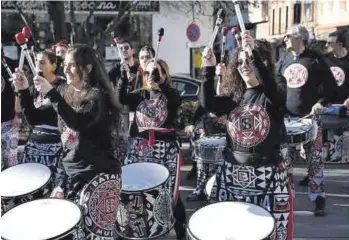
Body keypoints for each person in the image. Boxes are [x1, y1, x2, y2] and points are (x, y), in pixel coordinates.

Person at [201, 32, 293, 239]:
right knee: (232, 231)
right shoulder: (235, 97)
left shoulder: (274, 89)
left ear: (261, 61)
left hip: (267, 175)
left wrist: (256, 59)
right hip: (232, 174)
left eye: (249, 59)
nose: (244, 65)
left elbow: (276, 94)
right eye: (240, 61)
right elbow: (208, 103)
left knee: (268, 232)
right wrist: (207, 69)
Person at [26, 44, 122, 240]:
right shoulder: (65, 92)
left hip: (98, 177)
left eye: (72, 65)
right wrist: (22, 92)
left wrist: (51, 93)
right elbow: (36, 120)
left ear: (87, 68)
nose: (65, 69)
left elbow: (78, 122)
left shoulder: (98, 96)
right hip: (73, 177)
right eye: (66, 65)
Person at [117, 58, 186, 239]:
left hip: (166, 150)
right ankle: (137, 230)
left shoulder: (170, 94)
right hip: (139, 148)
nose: (151, 76)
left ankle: (180, 230)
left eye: (156, 72)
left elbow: (174, 100)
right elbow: (120, 98)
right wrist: (123, 78)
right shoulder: (140, 94)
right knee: (133, 190)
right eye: (147, 73)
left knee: (171, 193)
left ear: (164, 74)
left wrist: (160, 82)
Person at [275, 24, 338, 216]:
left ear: (300, 37)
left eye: (288, 35)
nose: (285, 38)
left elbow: (331, 87)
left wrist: (322, 102)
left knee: (314, 161)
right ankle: (286, 199)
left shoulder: (315, 60)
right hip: (286, 119)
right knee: (284, 162)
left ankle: (318, 200)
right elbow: (276, 86)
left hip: (310, 119)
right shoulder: (283, 60)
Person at [12, 50, 66, 194]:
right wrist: (23, 90)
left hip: (56, 147)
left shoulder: (63, 87)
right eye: (36, 62)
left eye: (42, 62)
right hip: (35, 145)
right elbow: (33, 120)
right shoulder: (34, 88)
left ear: (54, 66)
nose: (38, 66)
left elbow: (53, 116)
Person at [1, 55, 19, 170]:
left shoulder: (10, 64)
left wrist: (18, 114)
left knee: (11, 165)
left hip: (9, 121)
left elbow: (18, 91)